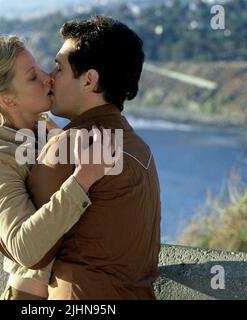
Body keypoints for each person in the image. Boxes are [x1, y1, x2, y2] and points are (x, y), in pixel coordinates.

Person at [0, 35, 116, 300]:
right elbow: (25, 248)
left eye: (41, 68)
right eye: (32, 77)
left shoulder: (47, 133)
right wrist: (83, 179)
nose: (48, 77)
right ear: (8, 100)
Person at [24, 16, 162, 299]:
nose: (50, 76)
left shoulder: (70, 146)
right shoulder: (139, 148)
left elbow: (30, 251)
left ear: (89, 80)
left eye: (59, 68)